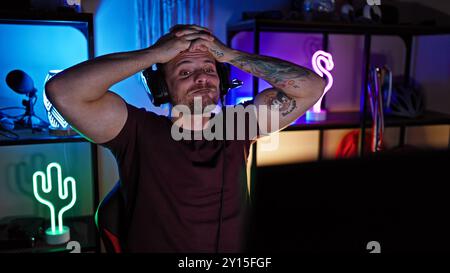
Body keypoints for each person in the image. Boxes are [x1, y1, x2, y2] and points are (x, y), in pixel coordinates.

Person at [45, 24, 325, 253]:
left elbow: (311, 87)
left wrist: (227, 54)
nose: (202, 78)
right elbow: (63, 90)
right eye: (185, 72)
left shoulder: (239, 124)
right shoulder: (134, 130)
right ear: (162, 88)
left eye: (209, 68)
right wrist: (154, 54)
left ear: (223, 79)